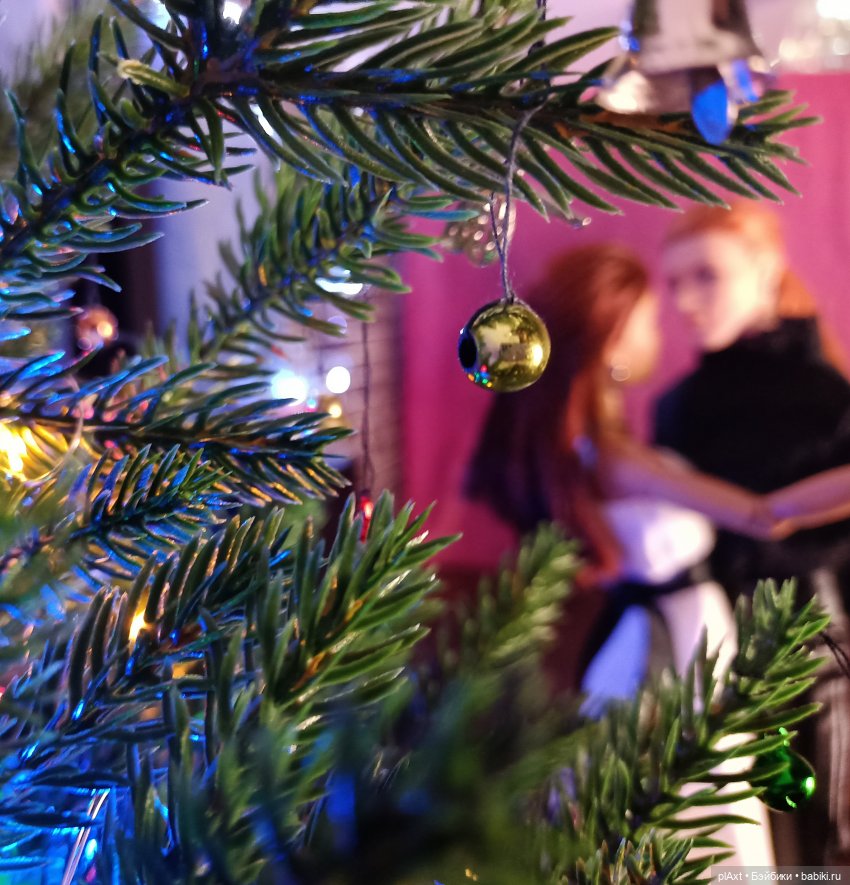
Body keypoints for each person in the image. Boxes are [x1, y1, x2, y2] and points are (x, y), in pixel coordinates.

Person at [464, 242, 850, 867]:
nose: (658, 331)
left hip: (679, 632)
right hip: (671, 643)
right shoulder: (614, 455)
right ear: (614, 335)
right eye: (646, 318)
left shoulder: (608, 443)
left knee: (685, 803)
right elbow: (763, 514)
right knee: (684, 810)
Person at [654, 202, 850, 864]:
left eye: (707, 275)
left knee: (808, 846)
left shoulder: (826, 396)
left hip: (809, 649)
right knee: (726, 845)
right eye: (674, 282)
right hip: (703, 645)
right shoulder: (679, 404)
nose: (684, 300)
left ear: (766, 269)